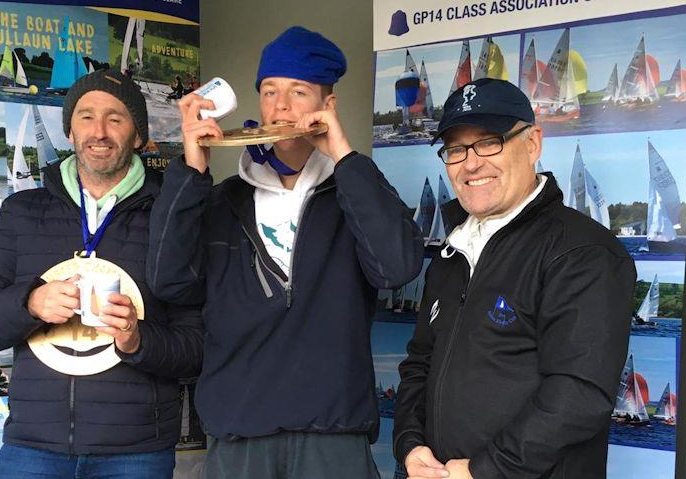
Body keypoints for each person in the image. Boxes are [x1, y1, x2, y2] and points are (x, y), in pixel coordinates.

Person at [148, 26, 424, 479]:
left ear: (327, 106)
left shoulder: (352, 193)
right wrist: (192, 166)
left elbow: (396, 268)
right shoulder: (219, 200)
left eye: (299, 91)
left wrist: (342, 154)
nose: (281, 105)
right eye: (270, 90)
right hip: (239, 436)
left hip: (335, 434)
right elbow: (168, 279)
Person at [0, 69, 203, 479]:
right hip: (32, 448)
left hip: (136, 453)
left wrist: (138, 338)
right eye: (86, 116)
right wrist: (30, 302)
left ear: (139, 136)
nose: (99, 131)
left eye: (116, 118)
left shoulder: (173, 215)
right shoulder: (21, 212)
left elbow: (196, 348)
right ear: (69, 131)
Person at [393, 78, 635, 479]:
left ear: (533, 143)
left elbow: (579, 393)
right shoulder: (452, 252)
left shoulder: (583, 252)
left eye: (490, 142)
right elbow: (419, 363)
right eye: (455, 149)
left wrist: (485, 471)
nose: (471, 163)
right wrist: (410, 445)